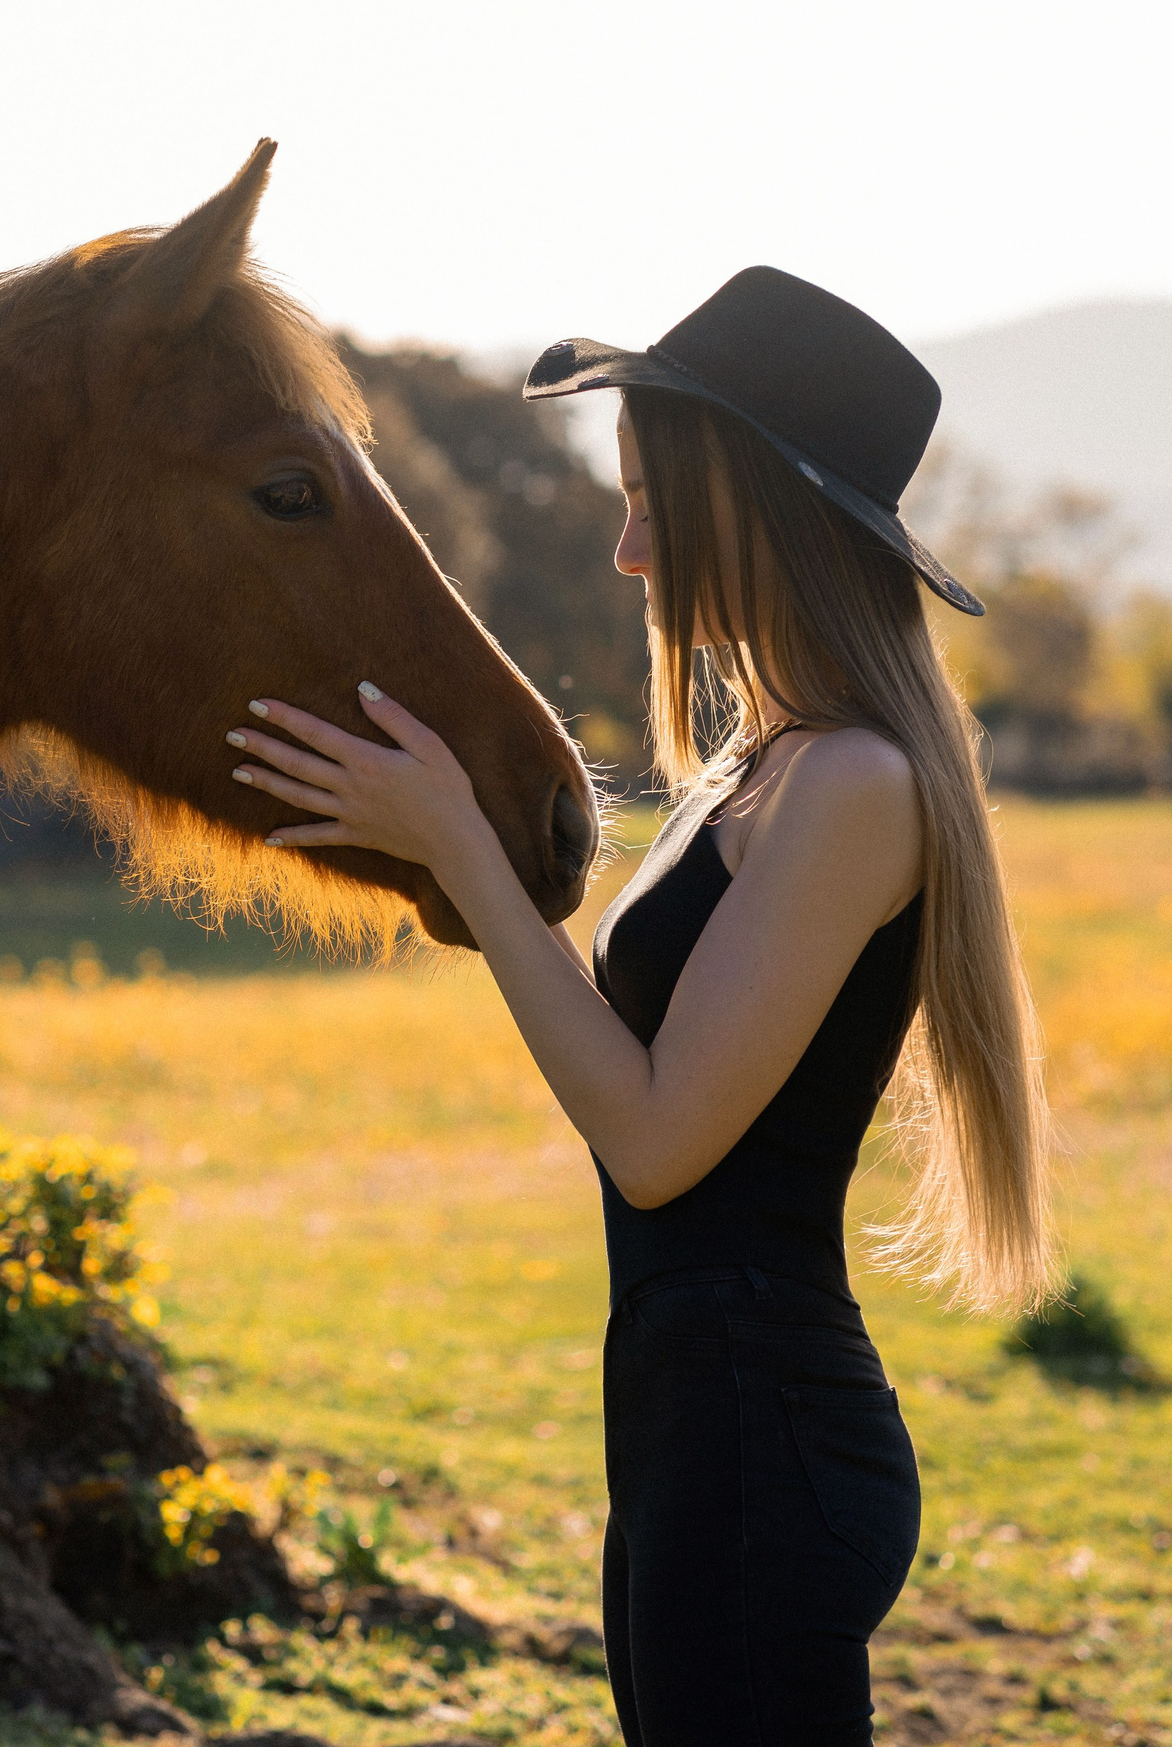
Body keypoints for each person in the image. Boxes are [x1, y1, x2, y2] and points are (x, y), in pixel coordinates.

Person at [226, 266, 1057, 1746]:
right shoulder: (764, 769)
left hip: (763, 1439)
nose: (624, 550)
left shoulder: (857, 787)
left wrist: (460, 851)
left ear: (752, 507)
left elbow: (660, 1138)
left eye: (650, 504)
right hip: (694, 1426)